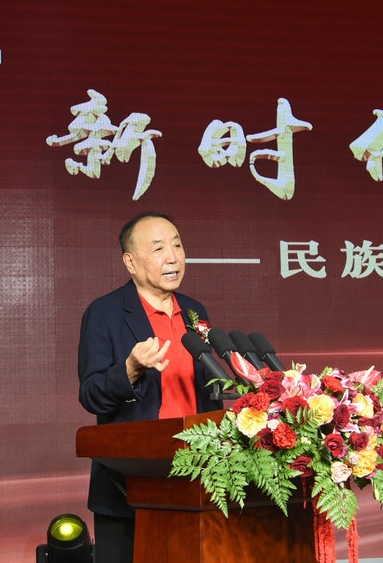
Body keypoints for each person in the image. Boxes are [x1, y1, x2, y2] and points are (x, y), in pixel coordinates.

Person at [77, 211, 223, 563]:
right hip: (132, 484)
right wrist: (129, 370)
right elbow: (91, 394)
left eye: (177, 245)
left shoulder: (194, 311)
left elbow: (208, 393)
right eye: (158, 249)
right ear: (130, 262)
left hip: (198, 480)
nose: (173, 257)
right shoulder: (105, 312)